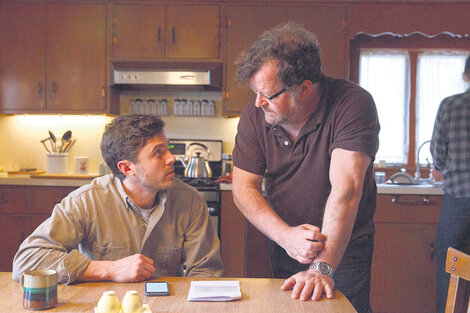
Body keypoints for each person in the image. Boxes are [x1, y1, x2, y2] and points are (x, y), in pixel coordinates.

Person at [232, 22, 379, 313]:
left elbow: (346, 191)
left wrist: (322, 267)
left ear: (305, 88)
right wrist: (285, 236)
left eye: (268, 95)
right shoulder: (257, 111)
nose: (258, 103)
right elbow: (242, 187)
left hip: (343, 248)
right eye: (254, 92)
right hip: (286, 241)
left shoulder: (352, 104)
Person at [12, 114, 223, 284]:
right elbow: (27, 261)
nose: (172, 158)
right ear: (126, 168)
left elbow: (206, 273)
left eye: (167, 148)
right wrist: (110, 269)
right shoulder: (86, 201)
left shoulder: (190, 200)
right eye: (158, 152)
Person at [431, 55, 470, 313]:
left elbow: (438, 150)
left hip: (458, 196)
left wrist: (440, 167)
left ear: (466, 75)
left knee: (451, 262)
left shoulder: (450, 105)